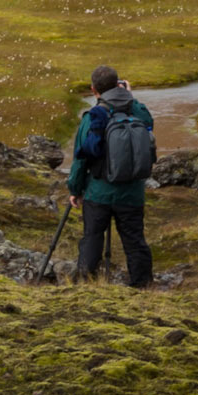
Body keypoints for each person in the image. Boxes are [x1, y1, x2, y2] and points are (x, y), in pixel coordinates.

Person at [68, 64, 155, 286]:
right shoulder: (135, 111)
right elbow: (149, 122)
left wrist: (75, 190)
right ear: (118, 85)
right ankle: (142, 288)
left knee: (92, 239)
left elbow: (81, 158)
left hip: (98, 193)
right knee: (135, 242)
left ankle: (86, 284)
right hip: (132, 193)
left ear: (93, 89)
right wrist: (130, 97)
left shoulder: (93, 117)